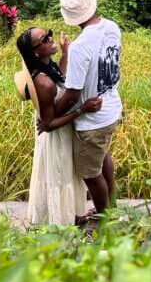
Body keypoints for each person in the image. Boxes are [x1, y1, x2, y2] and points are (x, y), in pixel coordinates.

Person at [15, 26, 102, 225]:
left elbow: (60, 77)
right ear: (36, 51)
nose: (50, 38)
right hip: (56, 136)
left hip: (63, 132)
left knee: (65, 175)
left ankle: (69, 215)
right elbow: (49, 124)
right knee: (60, 177)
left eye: (48, 33)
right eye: (44, 39)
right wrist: (83, 109)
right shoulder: (43, 82)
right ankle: (59, 221)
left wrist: (65, 53)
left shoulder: (47, 67)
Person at [47, 0, 123, 215]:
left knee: (91, 173)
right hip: (111, 108)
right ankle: (112, 208)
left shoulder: (81, 47)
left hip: (92, 120)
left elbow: (72, 94)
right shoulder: (111, 27)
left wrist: (51, 115)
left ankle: (104, 217)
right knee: (102, 158)